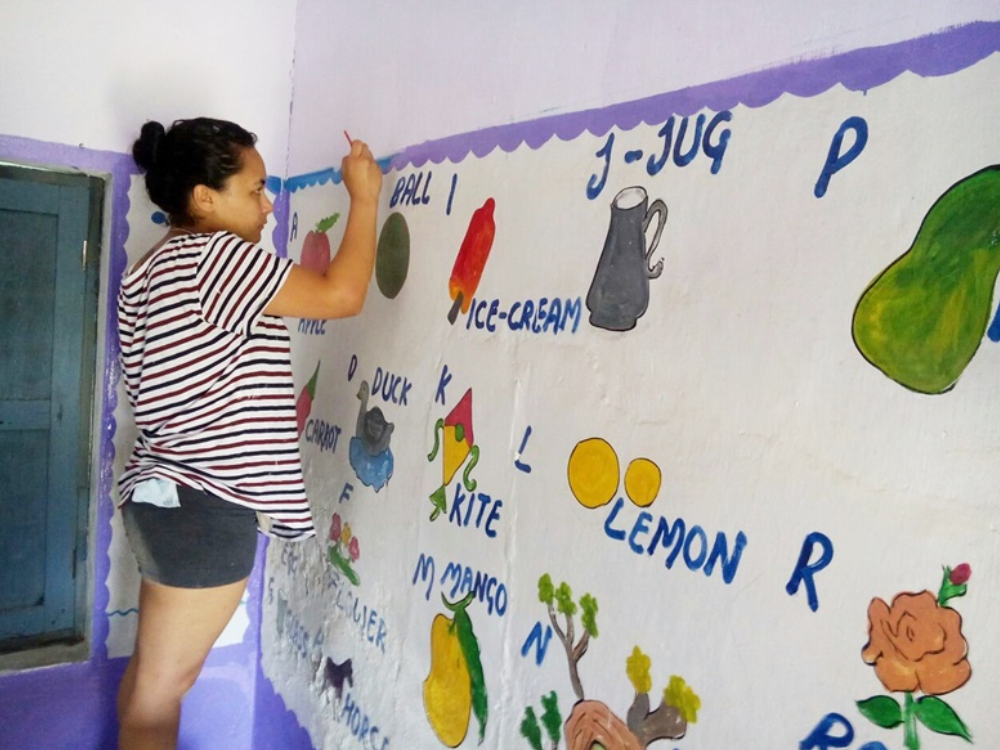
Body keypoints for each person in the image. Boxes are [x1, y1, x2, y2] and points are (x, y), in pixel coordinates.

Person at [115, 117, 382, 750]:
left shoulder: (150, 268)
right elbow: (341, 295)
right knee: (161, 690)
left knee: (151, 681)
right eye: (256, 189)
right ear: (204, 198)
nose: (269, 205)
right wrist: (365, 198)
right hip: (204, 506)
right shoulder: (217, 257)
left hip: (164, 497)